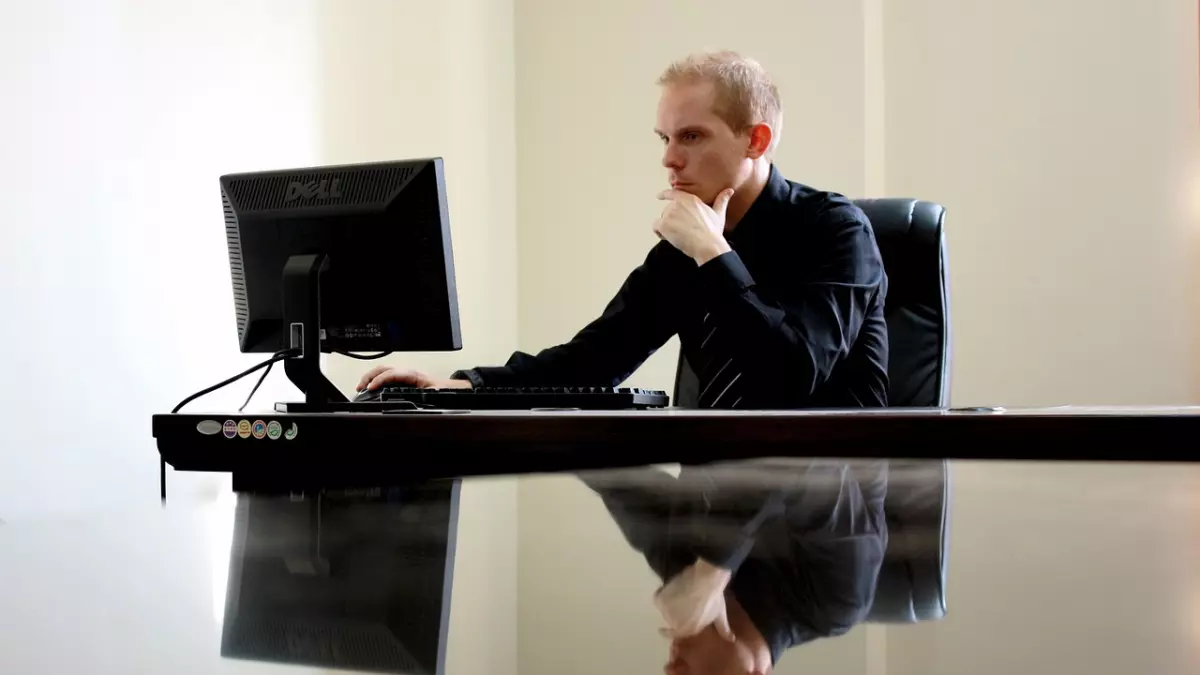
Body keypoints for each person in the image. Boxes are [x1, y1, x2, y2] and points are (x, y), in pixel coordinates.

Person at [358, 50, 889, 410]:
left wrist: (712, 252)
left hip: (825, 516)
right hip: (716, 506)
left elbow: (791, 377)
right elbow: (592, 361)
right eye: (664, 137)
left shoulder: (836, 231)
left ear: (756, 140)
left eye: (691, 136)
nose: (669, 159)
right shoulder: (685, 248)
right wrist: (461, 386)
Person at [580, 459, 888, 675]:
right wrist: (714, 569)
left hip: (723, 385)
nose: (669, 670)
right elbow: (798, 458)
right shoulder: (836, 600)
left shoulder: (683, 573)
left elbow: (613, 474)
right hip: (825, 380)